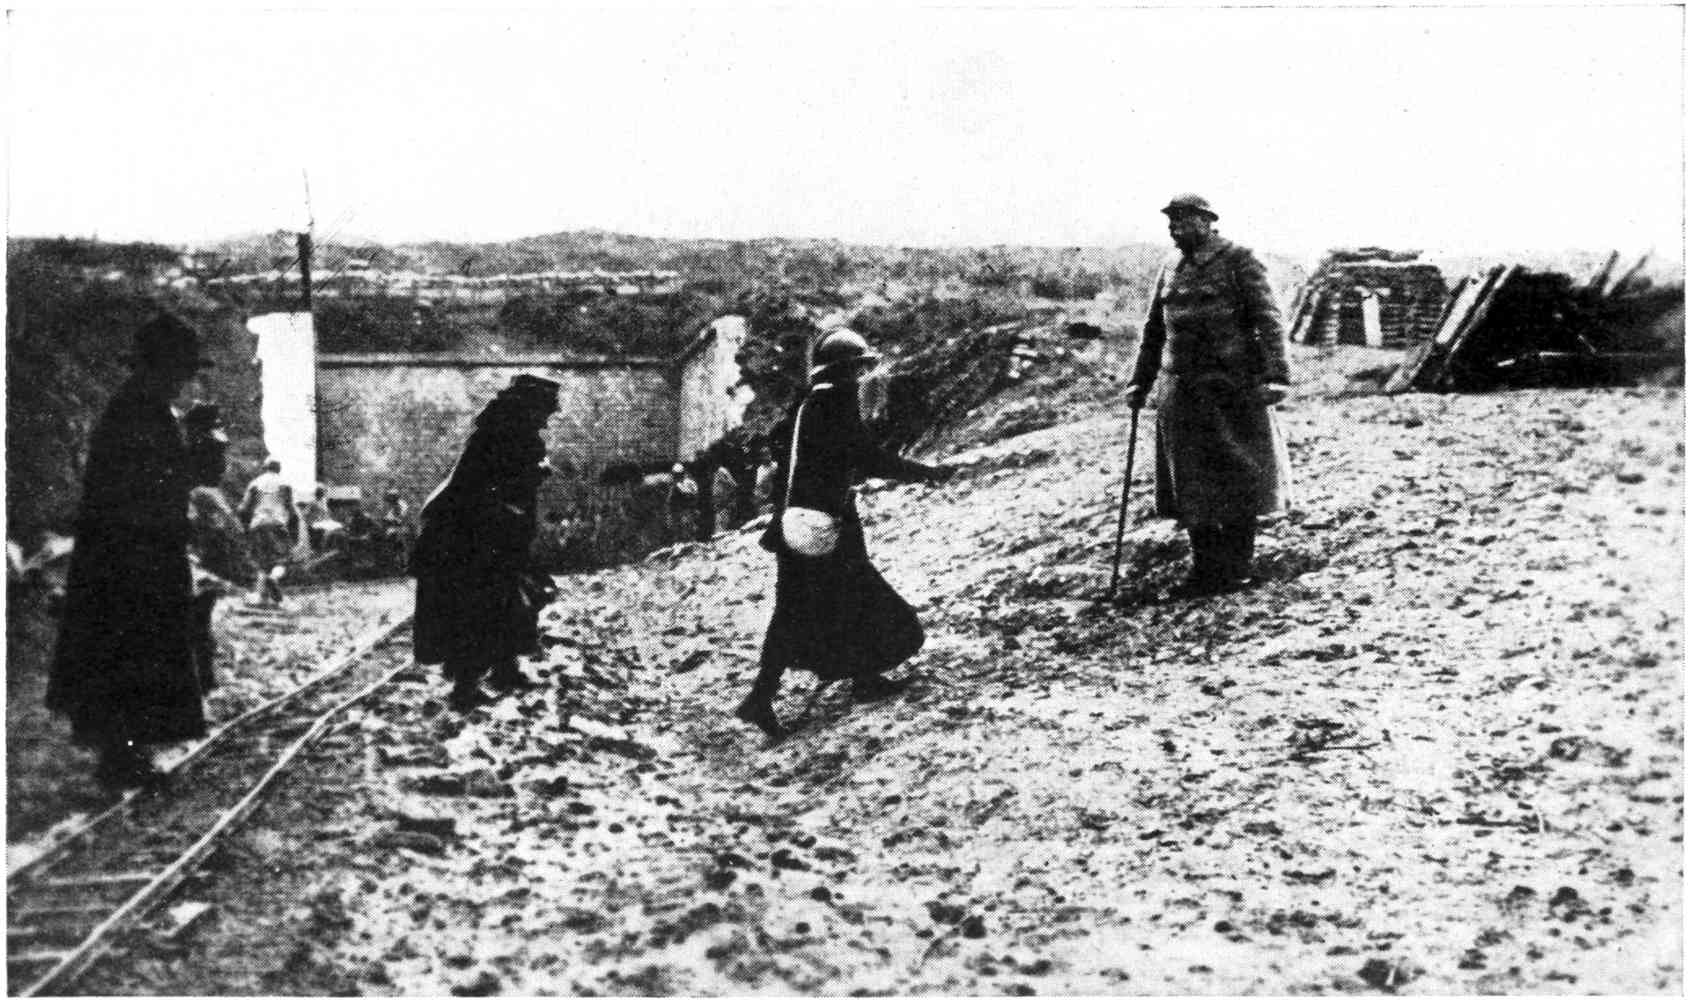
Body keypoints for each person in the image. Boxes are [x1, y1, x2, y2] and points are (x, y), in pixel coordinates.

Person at [735, 329, 954, 741]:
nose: (859, 377)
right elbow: (866, 456)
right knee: (863, 596)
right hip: (825, 522)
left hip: (794, 521)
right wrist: (926, 473)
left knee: (800, 607)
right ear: (845, 370)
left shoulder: (804, 404)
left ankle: (767, 696)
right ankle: (850, 678)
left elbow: (794, 460)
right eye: (856, 368)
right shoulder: (836, 401)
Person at [48, 312, 213, 788]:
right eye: (179, 370)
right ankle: (121, 757)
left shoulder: (140, 409)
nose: (183, 380)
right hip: (131, 557)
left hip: (131, 552)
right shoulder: (138, 412)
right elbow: (150, 486)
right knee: (131, 650)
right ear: (159, 367)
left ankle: (126, 753)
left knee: (131, 651)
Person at [1124, 194, 1293, 597]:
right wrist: (1140, 382)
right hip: (1181, 392)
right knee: (1192, 483)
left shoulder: (1239, 259)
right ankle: (1204, 572)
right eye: (1171, 222)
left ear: (1206, 221)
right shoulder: (1170, 265)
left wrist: (1277, 376)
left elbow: (1269, 321)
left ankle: (1236, 570)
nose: (1173, 228)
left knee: (1238, 477)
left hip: (1231, 388)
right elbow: (1155, 330)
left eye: (1182, 221)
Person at [411, 374, 561, 712]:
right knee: (475, 607)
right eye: (544, 413)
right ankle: (464, 688)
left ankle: (505, 669)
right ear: (526, 408)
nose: (546, 421)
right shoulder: (497, 437)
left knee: (507, 598)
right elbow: (481, 489)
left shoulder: (516, 436)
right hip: (467, 535)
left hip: (495, 533)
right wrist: (534, 474)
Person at [184, 402, 256, 692]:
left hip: (197, 521)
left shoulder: (198, 446)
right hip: (201, 522)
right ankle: (203, 677)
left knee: (198, 612)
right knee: (199, 611)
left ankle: (202, 677)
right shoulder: (212, 445)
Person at [238, 457, 296, 604]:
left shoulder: (254, 483)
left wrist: (246, 525)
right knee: (282, 560)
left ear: (265, 468)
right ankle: (274, 578)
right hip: (277, 524)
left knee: (261, 562)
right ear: (279, 469)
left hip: (257, 524)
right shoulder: (285, 483)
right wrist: (292, 527)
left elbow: (243, 508)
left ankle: (259, 597)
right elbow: (291, 509)